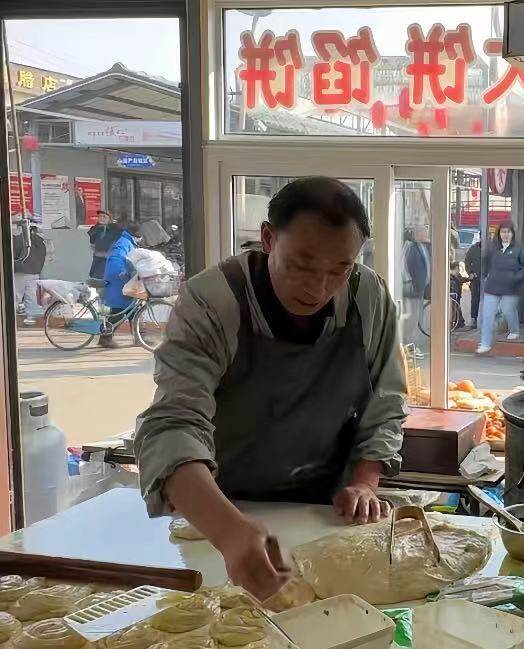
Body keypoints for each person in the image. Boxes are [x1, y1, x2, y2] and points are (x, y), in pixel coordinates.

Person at [134, 177, 409, 600]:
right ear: (267, 238)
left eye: (340, 268)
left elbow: (386, 401)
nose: (319, 288)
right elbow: (172, 424)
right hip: (223, 509)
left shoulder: (367, 296)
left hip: (326, 512)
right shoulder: (213, 300)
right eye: (302, 264)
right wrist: (227, 532)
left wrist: (364, 484)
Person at [477, 221, 524, 354]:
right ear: (499, 234)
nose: (505, 235)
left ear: (512, 234)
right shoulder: (492, 247)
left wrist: (516, 277)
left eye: (508, 232)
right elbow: (484, 263)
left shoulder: (520, 248)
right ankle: (485, 343)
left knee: (508, 310)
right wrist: (485, 276)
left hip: (511, 287)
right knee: (487, 315)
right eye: (503, 232)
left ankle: (514, 330)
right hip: (492, 286)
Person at [99, 224, 139, 348]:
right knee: (120, 309)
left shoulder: (126, 241)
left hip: (119, 277)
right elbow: (117, 259)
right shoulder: (124, 243)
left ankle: (140, 337)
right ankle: (105, 338)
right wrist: (125, 275)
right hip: (118, 278)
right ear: (135, 235)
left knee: (133, 308)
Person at [13, 224, 49, 327]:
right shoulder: (41, 242)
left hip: (21, 271)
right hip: (35, 272)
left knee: (15, 295)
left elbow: (13, 253)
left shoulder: (21, 239)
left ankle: (9, 319)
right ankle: (33, 320)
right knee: (31, 297)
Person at [402, 226, 430, 348]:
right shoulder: (412, 248)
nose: (426, 234)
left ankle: (413, 344)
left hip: (421, 287)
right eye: (424, 232)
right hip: (413, 287)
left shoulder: (423, 247)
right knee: (412, 318)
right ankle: (409, 345)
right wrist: (410, 283)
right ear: (417, 234)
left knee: (418, 317)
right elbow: (406, 268)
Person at [87, 210, 122, 279]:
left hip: (108, 258)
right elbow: (92, 241)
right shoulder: (96, 228)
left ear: (110, 219)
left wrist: (109, 253)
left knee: (103, 277)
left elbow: (116, 243)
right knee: (94, 275)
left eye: (104, 216)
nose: (101, 218)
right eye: (99, 216)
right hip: (97, 257)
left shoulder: (115, 229)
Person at [465, 236, 483, 329]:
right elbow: (467, 261)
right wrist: (471, 273)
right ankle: (473, 319)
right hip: (476, 278)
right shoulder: (473, 249)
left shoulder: (491, 248)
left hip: (488, 279)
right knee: (475, 299)